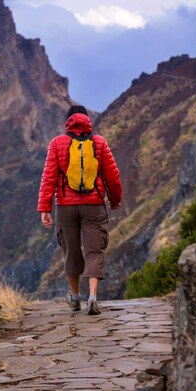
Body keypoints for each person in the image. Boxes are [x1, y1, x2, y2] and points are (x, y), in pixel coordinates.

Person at [38, 105, 122, 315]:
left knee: (71, 251)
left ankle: (75, 297)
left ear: (68, 122)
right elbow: (113, 176)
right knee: (95, 250)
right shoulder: (99, 143)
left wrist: (44, 208)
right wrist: (114, 201)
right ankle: (93, 297)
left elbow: (48, 178)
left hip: (66, 207)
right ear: (87, 120)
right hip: (94, 206)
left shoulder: (57, 143)